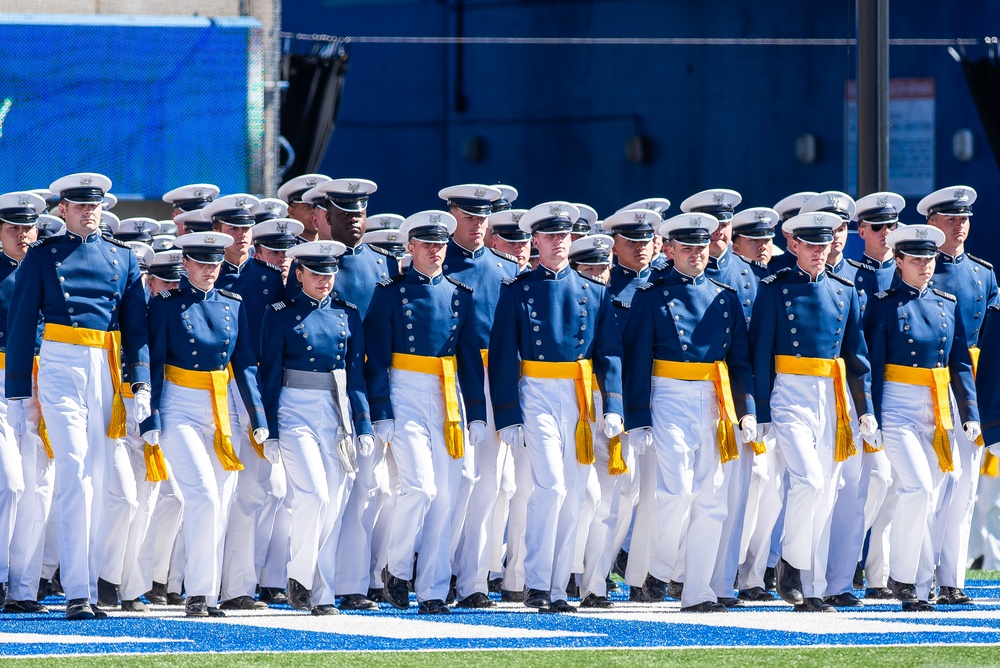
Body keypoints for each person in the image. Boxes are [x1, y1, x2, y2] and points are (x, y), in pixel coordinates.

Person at [489, 201, 624, 613]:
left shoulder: (594, 291)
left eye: (564, 236)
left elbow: (609, 353)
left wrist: (613, 404)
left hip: (580, 397)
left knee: (578, 492)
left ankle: (559, 585)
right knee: (551, 487)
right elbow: (500, 356)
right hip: (537, 391)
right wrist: (509, 414)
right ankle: (536, 582)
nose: (559, 243)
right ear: (536, 242)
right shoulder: (517, 290)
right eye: (550, 236)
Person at [623, 211, 756, 612]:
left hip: (714, 399)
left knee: (713, 498)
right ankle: (661, 569)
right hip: (669, 395)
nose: (696, 253)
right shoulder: (651, 296)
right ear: (669, 249)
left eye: (701, 246)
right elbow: (636, 359)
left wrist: (746, 409)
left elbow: (740, 361)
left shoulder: (725, 296)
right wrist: (638, 417)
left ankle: (697, 589)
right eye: (687, 247)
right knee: (677, 492)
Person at [750, 210, 876, 612]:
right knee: (809, 482)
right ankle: (790, 561)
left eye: (824, 245)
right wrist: (762, 410)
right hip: (789, 394)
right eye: (811, 245)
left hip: (833, 399)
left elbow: (856, 358)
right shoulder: (774, 289)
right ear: (793, 245)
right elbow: (760, 354)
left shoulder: (844, 289)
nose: (819, 252)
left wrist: (865, 409)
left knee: (827, 495)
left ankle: (813, 587)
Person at [364, 210, 487, 614]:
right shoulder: (391, 292)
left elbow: (468, 358)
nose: (435, 251)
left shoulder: (459, 293)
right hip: (404, 390)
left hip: (447, 397)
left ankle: (432, 589)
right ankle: (397, 568)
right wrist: (380, 408)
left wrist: (476, 414)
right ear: (411, 247)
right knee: (420, 488)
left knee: (447, 497)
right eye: (426, 244)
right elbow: (377, 357)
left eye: (439, 244)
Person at [140, 231, 268, 618]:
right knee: (202, 497)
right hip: (179, 404)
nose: (210, 270)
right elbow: (155, 361)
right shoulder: (166, 305)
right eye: (202, 263)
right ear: (187, 265)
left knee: (222, 503)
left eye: (215, 263)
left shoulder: (233, 304)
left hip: (221, 408)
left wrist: (258, 416)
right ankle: (195, 592)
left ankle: (207, 593)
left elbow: (243, 362)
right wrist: (152, 415)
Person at [862, 223, 978, 611]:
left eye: (929, 258)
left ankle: (919, 579)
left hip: (938, 407)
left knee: (938, 492)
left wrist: (969, 412)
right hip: (896, 405)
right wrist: (870, 413)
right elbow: (872, 366)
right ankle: (904, 579)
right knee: (917, 487)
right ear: (899, 261)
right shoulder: (882, 303)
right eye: (916, 259)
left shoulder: (947, 303)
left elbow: (960, 363)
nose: (926, 265)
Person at [259, 241, 376, 615]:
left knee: (335, 505)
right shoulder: (280, 314)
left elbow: (356, 375)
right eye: (316, 273)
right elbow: (270, 375)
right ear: (299, 274)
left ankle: (321, 595)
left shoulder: (348, 314)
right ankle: (299, 575)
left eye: (329, 273)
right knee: (315, 497)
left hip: (337, 409)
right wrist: (271, 428)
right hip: (295, 409)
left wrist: (364, 424)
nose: (324, 280)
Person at [437, 184, 521, 610]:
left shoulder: (504, 270)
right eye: (469, 217)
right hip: (447, 380)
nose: (477, 225)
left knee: (488, 484)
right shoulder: (435, 261)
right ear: (451, 215)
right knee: (458, 481)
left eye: (483, 218)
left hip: (493, 380)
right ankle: (440, 569)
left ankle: (472, 579)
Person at [922, 185, 998, 605]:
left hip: (970, 389)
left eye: (965, 218)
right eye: (951, 218)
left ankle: (953, 579)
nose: (960, 226)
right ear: (932, 222)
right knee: (933, 485)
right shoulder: (921, 268)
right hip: (930, 386)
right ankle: (921, 573)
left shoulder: (982, 274)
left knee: (966, 486)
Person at [0, 192, 52, 615]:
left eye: (28, 227)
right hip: (1, 380)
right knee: (10, 482)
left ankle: (24, 588)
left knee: (38, 488)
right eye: (13, 227)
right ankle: (1, 577)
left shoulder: (52, 269)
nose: (23, 235)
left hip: (43, 382)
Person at [769, 192, 818, 274]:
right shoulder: (770, 269)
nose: (808, 234)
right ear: (785, 232)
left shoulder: (827, 269)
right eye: (800, 229)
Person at [277, 174, 332, 242]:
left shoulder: (335, 247)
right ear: (291, 212)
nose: (315, 212)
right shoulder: (285, 250)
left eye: (319, 206)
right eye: (306, 206)